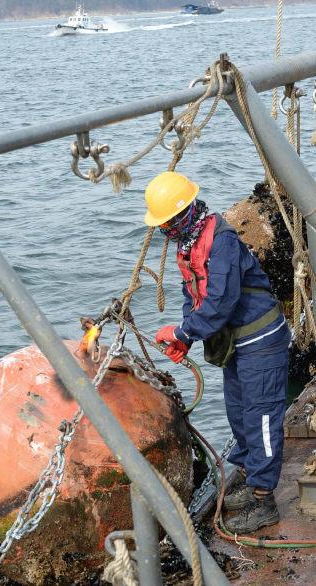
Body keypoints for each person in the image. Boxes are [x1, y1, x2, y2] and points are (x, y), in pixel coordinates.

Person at [144, 171, 290, 534]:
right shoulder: (189, 243)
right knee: (238, 411)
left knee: (261, 418)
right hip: (237, 344)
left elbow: (222, 300)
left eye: (166, 223)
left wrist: (181, 331)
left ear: (181, 216)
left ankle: (263, 498)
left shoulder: (220, 239)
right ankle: (246, 471)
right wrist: (186, 337)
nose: (164, 230)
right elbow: (192, 294)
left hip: (261, 340)